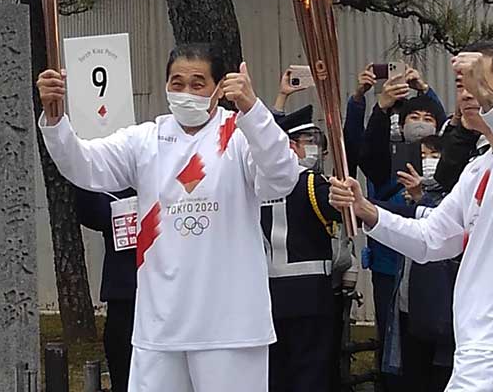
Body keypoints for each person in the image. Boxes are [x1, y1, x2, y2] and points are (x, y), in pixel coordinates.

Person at [36, 43, 299, 392]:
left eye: (197, 83)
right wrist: (55, 119)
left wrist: (253, 110)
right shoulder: (145, 140)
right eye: (177, 83)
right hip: (160, 325)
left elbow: (282, 176)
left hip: (229, 327)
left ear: (219, 88)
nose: (186, 92)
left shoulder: (239, 134)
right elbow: (83, 166)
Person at [329, 40, 493, 392]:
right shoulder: (479, 168)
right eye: (462, 86)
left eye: (478, 83)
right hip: (478, 340)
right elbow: (431, 239)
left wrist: (487, 94)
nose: (469, 94)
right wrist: (366, 209)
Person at [354, 65, 446, 390]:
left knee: (435, 350)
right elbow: (364, 149)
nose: (420, 124)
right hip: (390, 265)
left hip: (434, 273)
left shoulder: (452, 175)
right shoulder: (390, 161)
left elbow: (452, 134)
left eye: (428, 118)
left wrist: (426, 90)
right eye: (413, 116)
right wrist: (374, 104)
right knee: (395, 343)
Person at [261, 105, 341, 392]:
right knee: (309, 374)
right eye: (307, 142)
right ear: (289, 146)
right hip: (309, 294)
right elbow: (341, 212)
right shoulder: (309, 181)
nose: (314, 149)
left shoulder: (258, 181)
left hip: (266, 296)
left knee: (273, 375)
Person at [389, 135, 457, 392]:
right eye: (423, 156)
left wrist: (421, 198)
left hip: (443, 309)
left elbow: (445, 230)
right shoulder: (399, 194)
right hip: (409, 304)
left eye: (434, 156)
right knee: (413, 375)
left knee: (442, 376)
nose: (428, 162)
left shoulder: (456, 192)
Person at [74, 188, 138, 392]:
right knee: (124, 374)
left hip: (172, 299)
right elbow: (91, 212)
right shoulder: (116, 192)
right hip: (125, 299)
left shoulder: (175, 184)